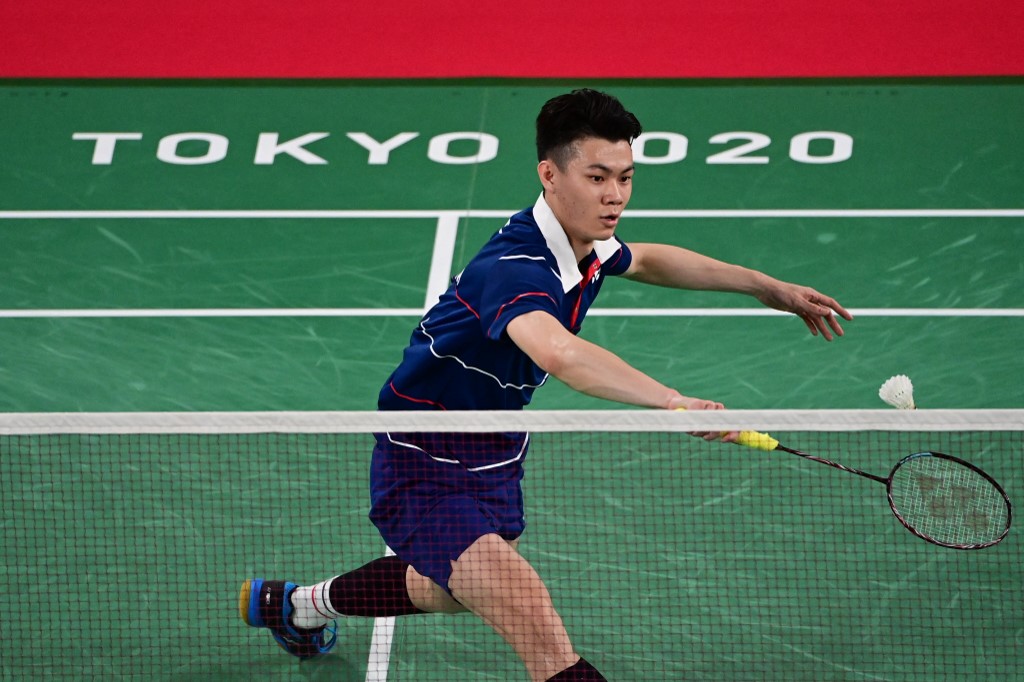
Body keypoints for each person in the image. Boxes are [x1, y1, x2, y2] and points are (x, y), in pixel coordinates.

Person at [239, 88, 852, 681]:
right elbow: (559, 352)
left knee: (452, 591)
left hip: (495, 445)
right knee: (536, 626)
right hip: (424, 454)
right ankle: (299, 606)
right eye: (597, 177)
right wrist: (670, 402)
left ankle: (294, 606)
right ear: (550, 174)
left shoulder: (582, 244)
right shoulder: (514, 269)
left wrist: (763, 285)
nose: (615, 196)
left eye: (626, 177)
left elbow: (644, 258)